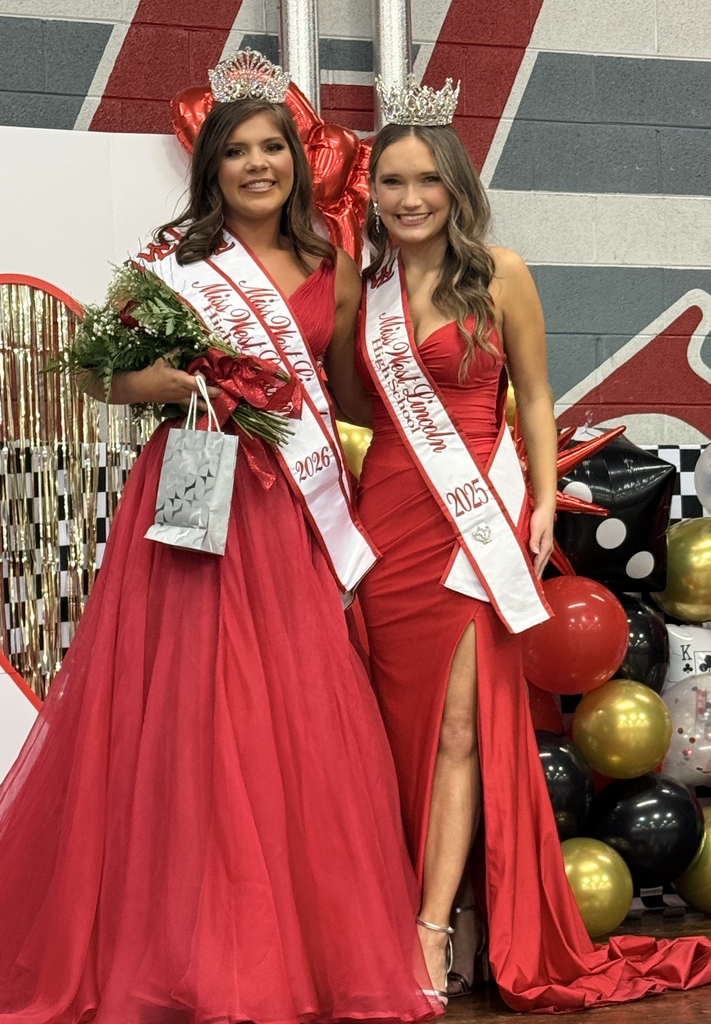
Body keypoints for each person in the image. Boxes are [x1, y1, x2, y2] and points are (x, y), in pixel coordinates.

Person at [0, 52, 440, 1024]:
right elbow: (103, 380)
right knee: (185, 719)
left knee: (287, 717)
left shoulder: (333, 275)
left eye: (275, 149)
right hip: (191, 506)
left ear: (299, 163)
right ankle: (179, 950)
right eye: (238, 152)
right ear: (211, 166)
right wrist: (172, 384)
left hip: (285, 515)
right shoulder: (170, 265)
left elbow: (342, 401)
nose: (259, 165)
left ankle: (285, 949)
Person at [354, 74, 711, 1012]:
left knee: (463, 731)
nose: (410, 197)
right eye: (390, 180)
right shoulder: (366, 292)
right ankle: (437, 914)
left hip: (476, 517)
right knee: (397, 737)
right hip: (386, 518)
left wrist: (545, 494)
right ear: (372, 192)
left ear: (458, 184)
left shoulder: (500, 272)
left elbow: (538, 396)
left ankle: (430, 931)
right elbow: (355, 407)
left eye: (426, 177)